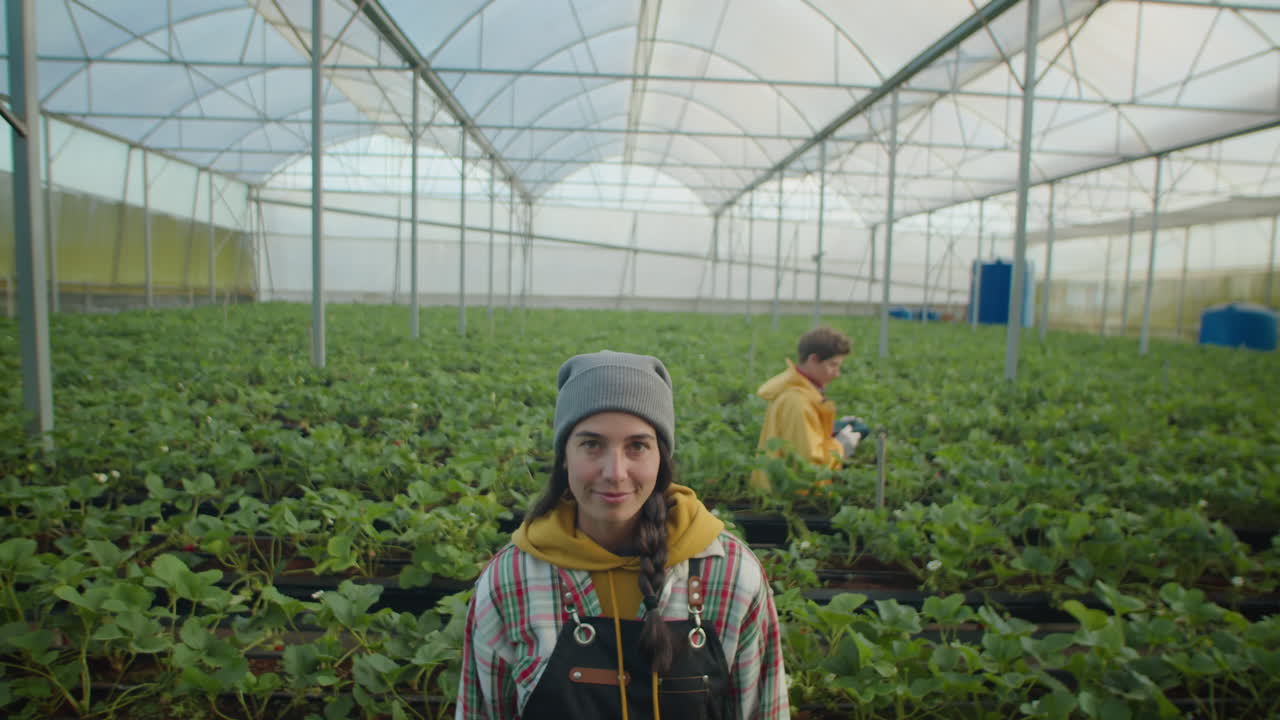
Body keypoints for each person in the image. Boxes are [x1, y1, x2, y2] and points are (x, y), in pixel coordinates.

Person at [455, 350, 789, 720]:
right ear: (564, 454)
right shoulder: (510, 580)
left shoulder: (731, 576)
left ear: (661, 456)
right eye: (592, 444)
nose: (615, 472)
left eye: (637, 446)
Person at [750, 327, 868, 490]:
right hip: (794, 495)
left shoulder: (800, 390)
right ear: (813, 359)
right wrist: (841, 447)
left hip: (784, 488)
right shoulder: (797, 401)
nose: (837, 373)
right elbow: (808, 464)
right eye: (833, 365)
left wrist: (830, 428)